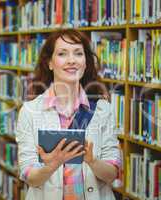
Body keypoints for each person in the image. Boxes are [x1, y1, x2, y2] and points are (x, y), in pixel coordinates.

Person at [15, 29, 121, 200]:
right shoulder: (29, 112)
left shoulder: (103, 110)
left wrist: (92, 161)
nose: (71, 60)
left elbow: (112, 174)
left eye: (78, 53)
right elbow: (29, 176)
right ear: (49, 62)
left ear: (85, 62)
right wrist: (51, 166)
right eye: (62, 54)